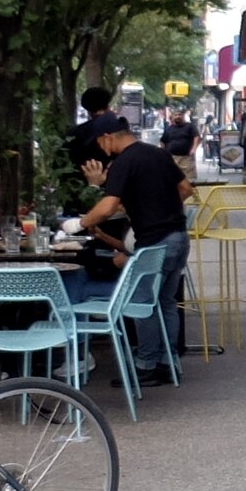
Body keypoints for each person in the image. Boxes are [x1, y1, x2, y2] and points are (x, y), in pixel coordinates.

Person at [67, 112, 196, 385]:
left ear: (107, 138)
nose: (101, 150)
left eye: (100, 143)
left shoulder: (123, 162)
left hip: (153, 243)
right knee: (167, 302)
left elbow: (109, 206)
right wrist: (158, 204)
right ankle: (168, 362)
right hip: (178, 237)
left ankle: (146, 364)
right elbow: (185, 188)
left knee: (142, 303)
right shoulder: (158, 154)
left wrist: (79, 223)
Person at [64, 86, 114, 170]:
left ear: (87, 108)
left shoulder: (74, 134)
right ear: (108, 105)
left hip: (85, 179)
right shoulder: (120, 130)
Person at [162, 105, 198, 178]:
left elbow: (196, 137)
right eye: (176, 115)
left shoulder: (189, 126)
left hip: (186, 158)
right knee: (172, 179)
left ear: (183, 116)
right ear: (173, 117)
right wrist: (163, 153)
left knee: (189, 179)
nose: (178, 116)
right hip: (172, 158)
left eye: (180, 115)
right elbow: (163, 141)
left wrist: (194, 148)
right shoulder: (169, 129)